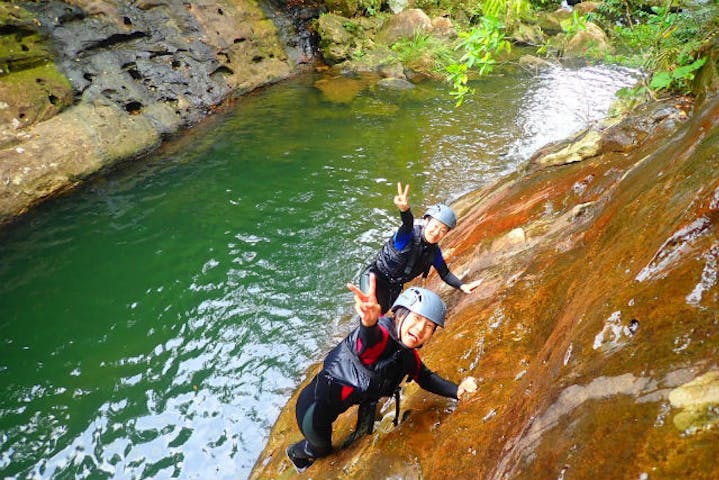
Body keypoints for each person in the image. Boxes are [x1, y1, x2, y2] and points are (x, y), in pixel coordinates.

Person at [286, 274, 477, 472]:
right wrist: (368, 321)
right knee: (322, 449)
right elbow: (369, 338)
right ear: (400, 315)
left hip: (347, 400)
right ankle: (295, 453)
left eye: (429, 326)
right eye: (417, 318)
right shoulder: (380, 337)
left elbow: (426, 377)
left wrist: (457, 390)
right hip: (314, 409)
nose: (420, 329)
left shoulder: (407, 354)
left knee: (365, 424)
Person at [361, 182, 483, 313]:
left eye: (442, 230)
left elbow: (445, 273)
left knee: (379, 317)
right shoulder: (407, 235)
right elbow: (407, 224)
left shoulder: (434, 253)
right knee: (370, 310)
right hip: (374, 277)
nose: (436, 233)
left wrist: (462, 286)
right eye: (435, 226)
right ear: (426, 221)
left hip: (394, 288)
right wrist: (405, 209)